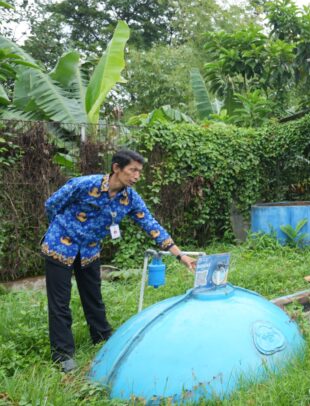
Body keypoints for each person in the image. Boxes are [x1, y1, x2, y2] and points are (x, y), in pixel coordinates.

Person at [42, 149, 197, 372]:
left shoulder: (130, 199)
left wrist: (180, 255)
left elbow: (151, 226)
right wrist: (59, 229)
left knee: (93, 296)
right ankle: (63, 354)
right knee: (60, 302)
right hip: (60, 245)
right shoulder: (84, 185)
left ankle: (102, 336)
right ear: (116, 168)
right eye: (132, 170)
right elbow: (51, 204)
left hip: (89, 250)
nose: (136, 176)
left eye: (139, 172)